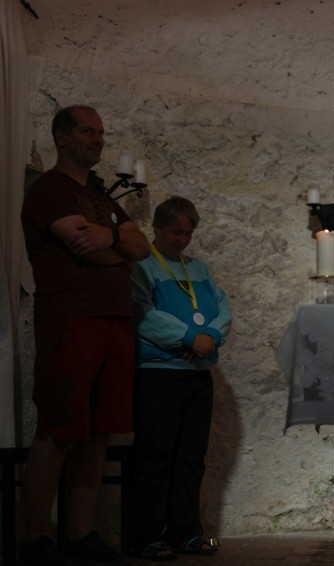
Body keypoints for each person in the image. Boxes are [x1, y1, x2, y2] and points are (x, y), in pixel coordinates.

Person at [19, 105, 151, 565]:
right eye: (87, 132)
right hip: (71, 319)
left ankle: (80, 535)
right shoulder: (49, 190)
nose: (98, 140)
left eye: (101, 133)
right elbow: (85, 249)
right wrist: (119, 250)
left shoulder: (100, 197)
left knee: (98, 432)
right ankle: (37, 539)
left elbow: (142, 247)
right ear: (61, 137)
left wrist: (111, 239)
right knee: (58, 428)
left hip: (114, 321)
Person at [130, 196, 231, 561]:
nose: (182, 240)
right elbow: (142, 314)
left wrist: (212, 337)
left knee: (191, 456)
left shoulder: (198, 268)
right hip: (159, 373)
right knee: (155, 456)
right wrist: (189, 338)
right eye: (176, 232)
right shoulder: (141, 266)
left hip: (197, 375)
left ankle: (184, 532)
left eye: (188, 234)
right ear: (157, 227)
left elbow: (223, 309)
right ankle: (145, 536)